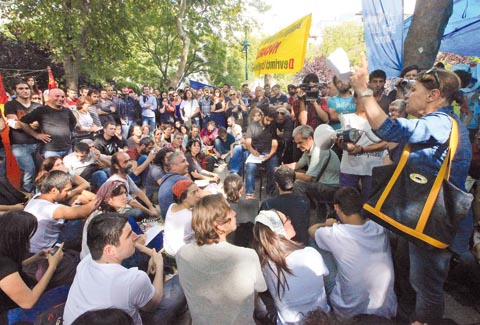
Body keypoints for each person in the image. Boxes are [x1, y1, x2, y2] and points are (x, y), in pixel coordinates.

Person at [350, 54, 471, 324]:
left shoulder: (440, 123)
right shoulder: (439, 123)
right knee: (415, 278)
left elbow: (390, 131)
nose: (407, 95)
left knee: (426, 286)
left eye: (413, 90)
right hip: (419, 219)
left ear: (434, 95)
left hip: (431, 222)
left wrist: (363, 90)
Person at [63, 213, 186, 325]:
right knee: (180, 282)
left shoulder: (86, 261)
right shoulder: (133, 279)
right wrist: (159, 264)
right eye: (128, 235)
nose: (135, 236)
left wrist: (142, 248)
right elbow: (153, 304)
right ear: (110, 250)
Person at [176, 194, 267, 324]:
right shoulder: (247, 256)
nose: (235, 213)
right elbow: (256, 294)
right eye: (229, 210)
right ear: (218, 225)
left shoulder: (182, 254)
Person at [309, 187, 397, 319]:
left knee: (315, 243)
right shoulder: (379, 227)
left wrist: (326, 224)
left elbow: (311, 230)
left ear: (337, 208)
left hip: (347, 311)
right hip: (385, 309)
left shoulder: (335, 233)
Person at [253, 209, 329, 324]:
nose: (290, 220)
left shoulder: (264, 265)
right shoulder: (311, 253)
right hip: (322, 320)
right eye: (287, 219)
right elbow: (323, 283)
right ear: (280, 229)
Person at [0, 211, 64, 323]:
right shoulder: (4, 264)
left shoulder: (4, 250)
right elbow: (28, 302)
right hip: (8, 314)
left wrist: (36, 257)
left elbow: (10, 273)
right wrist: (52, 267)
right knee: (62, 293)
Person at [287, 125, 340, 221]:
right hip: (323, 183)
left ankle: (303, 213)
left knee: (298, 184)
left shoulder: (318, 150)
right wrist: (284, 167)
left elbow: (308, 178)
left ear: (310, 138)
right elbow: (298, 165)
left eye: (300, 143)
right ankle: (317, 207)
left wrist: (288, 173)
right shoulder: (309, 149)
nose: (298, 146)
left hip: (331, 188)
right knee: (298, 175)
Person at [19, 88, 77, 158]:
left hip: (68, 149)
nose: (60, 99)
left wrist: (66, 133)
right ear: (49, 97)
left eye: (62, 96)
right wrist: (36, 135)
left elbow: (73, 123)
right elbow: (22, 122)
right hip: (51, 151)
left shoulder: (67, 111)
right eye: (57, 96)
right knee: (53, 169)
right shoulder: (41, 111)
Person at [260, 166, 310, 245]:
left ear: (276, 184)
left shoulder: (267, 204)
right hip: (300, 244)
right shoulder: (305, 202)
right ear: (293, 183)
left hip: (278, 246)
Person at [5, 80, 40, 191]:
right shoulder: (11, 105)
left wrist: (23, 123)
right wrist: (32, 124)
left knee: (40, 171)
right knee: (29, 170)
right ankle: (26, 196)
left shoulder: (37, 105)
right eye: (21, 88)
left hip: (38, 143)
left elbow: (42, 122)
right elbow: (14, 125)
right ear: (15, 91)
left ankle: (38, 196)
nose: (24, 91)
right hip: (20, 144)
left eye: (26, 88)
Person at [244, 107, 279, 198]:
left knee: (273, 167)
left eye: (271, 121)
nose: (269, 122)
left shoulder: (272, 126)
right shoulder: (253, 126)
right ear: (263, 116)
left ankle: (270, 191)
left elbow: (274, 142)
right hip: (256, 152)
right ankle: (249, 193)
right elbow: (248, 141)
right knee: (250, 167)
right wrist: (252, 150)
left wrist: (270, 154)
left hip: (269, 152)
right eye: (267, 120)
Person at [164, 180, 201, 256]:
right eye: (194, 192)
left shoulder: (172, 206)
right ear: (183, 198)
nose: (198, 195)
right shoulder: (190, 217)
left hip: (168, 248)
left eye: (198, 190)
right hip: (182, 254)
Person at [158, 152, 190, 219]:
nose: (187, 163)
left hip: (167, 219)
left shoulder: (164, 178)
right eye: (183, 161)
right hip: (178, 221)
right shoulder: (182, 180)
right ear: (173, 166)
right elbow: (201, 197)